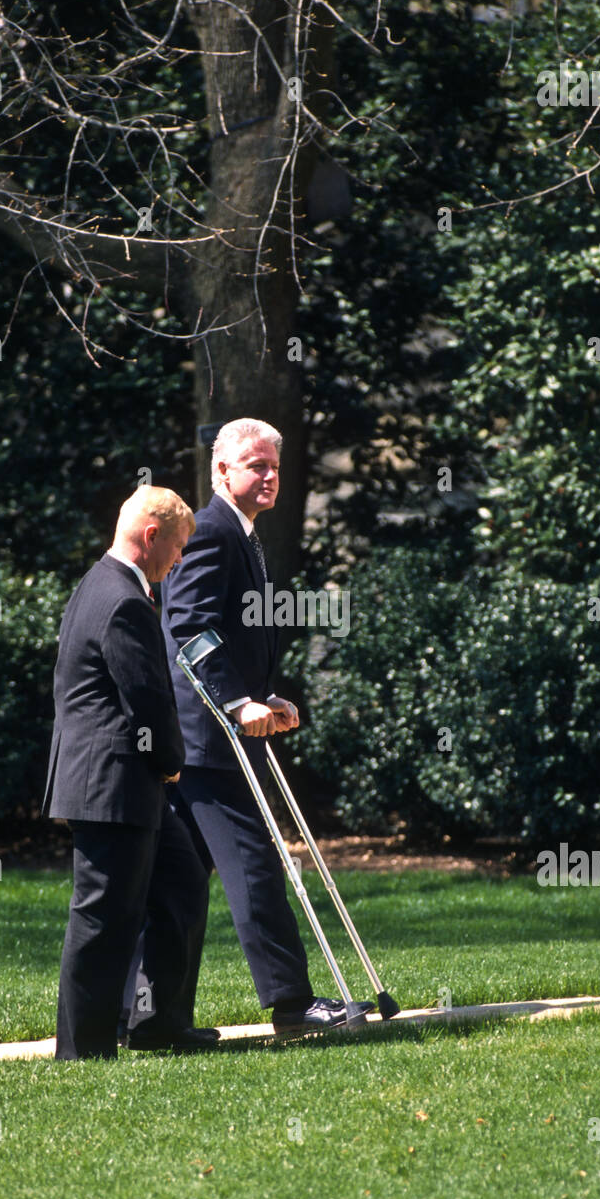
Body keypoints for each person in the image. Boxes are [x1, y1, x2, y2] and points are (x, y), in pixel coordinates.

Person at [160, 418, 368, 1033]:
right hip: (212, 736)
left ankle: (149, 1017)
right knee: (254, 864)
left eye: (275, 465)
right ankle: (294, 1006)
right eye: (257, 465)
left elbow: (222, 633)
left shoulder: (241, 534)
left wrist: (263, 695)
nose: (271, 475)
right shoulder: (214, 531)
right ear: (222, 471)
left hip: (211, 731)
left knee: (178, 881)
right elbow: (189, 627)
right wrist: (234, 704)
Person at [43, 485, 216, 1059]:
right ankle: (83, 1050)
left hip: (117, 782)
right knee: (102, 918)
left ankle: (157, 1021)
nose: (179, 560)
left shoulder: (100, 585)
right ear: (152, 536)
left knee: (183, 881)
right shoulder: (123, 600)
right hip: (112, 786)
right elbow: (145, 697)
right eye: (179, 547)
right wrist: (170, 764)